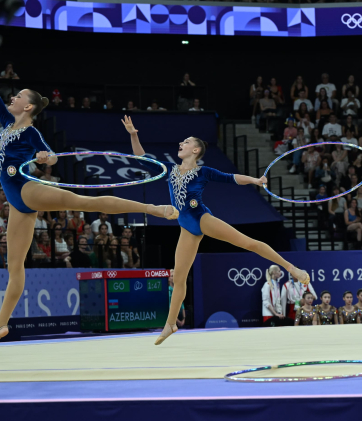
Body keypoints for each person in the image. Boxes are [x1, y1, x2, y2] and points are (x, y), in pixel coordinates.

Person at [0, 56, 180, 347]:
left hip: (25, 189)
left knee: (85, 202)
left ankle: (150, 208)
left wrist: (45, 158)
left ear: (27, 106)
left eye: (16, 96)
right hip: (17, 205)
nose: (11, 98)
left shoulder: (30, 132)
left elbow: (51, 156)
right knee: (14, 267)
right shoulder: (6, 122)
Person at [122, 116, 308, 345]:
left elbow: (231, 178)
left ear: (196, 150)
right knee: (178, 277)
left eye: (186, 141)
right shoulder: (170, 170)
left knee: (248, 243)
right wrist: (133, 134)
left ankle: (292, 268)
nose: (181, 143)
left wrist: (255, 180)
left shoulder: (203, 172)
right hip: (186, 227)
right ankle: (170, 324)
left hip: (201, 218)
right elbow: (142, 159)